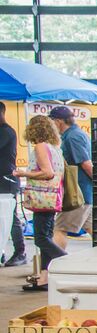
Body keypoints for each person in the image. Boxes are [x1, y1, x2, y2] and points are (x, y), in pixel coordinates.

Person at [15, 115, 66, 291]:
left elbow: (47, 172)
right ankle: (45, 278)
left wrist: (24, 174)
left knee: (41, 239)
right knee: (46, 235)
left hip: (42, 198)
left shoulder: (40, 147)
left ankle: (68, 262)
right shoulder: (55, 148)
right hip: (52, 198)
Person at [50, 106, 93, 250]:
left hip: (77, 193)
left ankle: (52, 262)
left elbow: (86, 163)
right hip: (85, 193)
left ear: (58, 121)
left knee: (60, 228)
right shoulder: (77, 134)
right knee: (93, 228)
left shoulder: (72, 137)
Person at [0, 102, 27, 266]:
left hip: (6, 180)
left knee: (11, 217)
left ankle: (20, 252)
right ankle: (2, 251)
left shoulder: (6, 132)